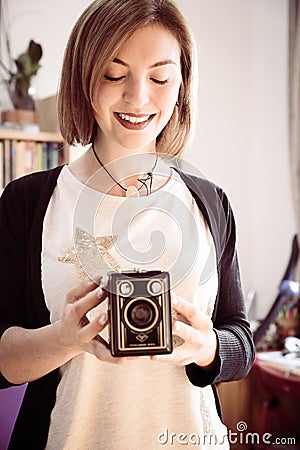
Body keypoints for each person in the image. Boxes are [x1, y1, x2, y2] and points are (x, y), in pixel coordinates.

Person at [0, 0, 255, 449]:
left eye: (159, 77)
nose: (138, 98)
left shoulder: (210, 202)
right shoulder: (27, 202)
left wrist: (206, 347)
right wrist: (65, 339)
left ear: (182, 84)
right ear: (83, 77)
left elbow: (241, 344)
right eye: (114, 75)